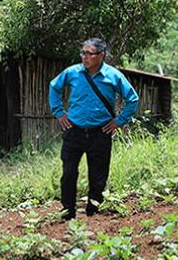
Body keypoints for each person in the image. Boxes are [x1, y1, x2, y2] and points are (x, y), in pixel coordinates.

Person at [49, 38, 139, 220]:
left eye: (89, 53)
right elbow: (54, 87)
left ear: (101, 55)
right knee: (68, 173)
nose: (85, 57)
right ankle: (68, 212)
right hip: (74, 131)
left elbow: (132, 99)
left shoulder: (113, 75)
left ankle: (94, 213)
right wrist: (59, 113)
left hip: (101, 132)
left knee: (98, 176)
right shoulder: (72, 72)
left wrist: (119, 121)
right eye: (83, 53)